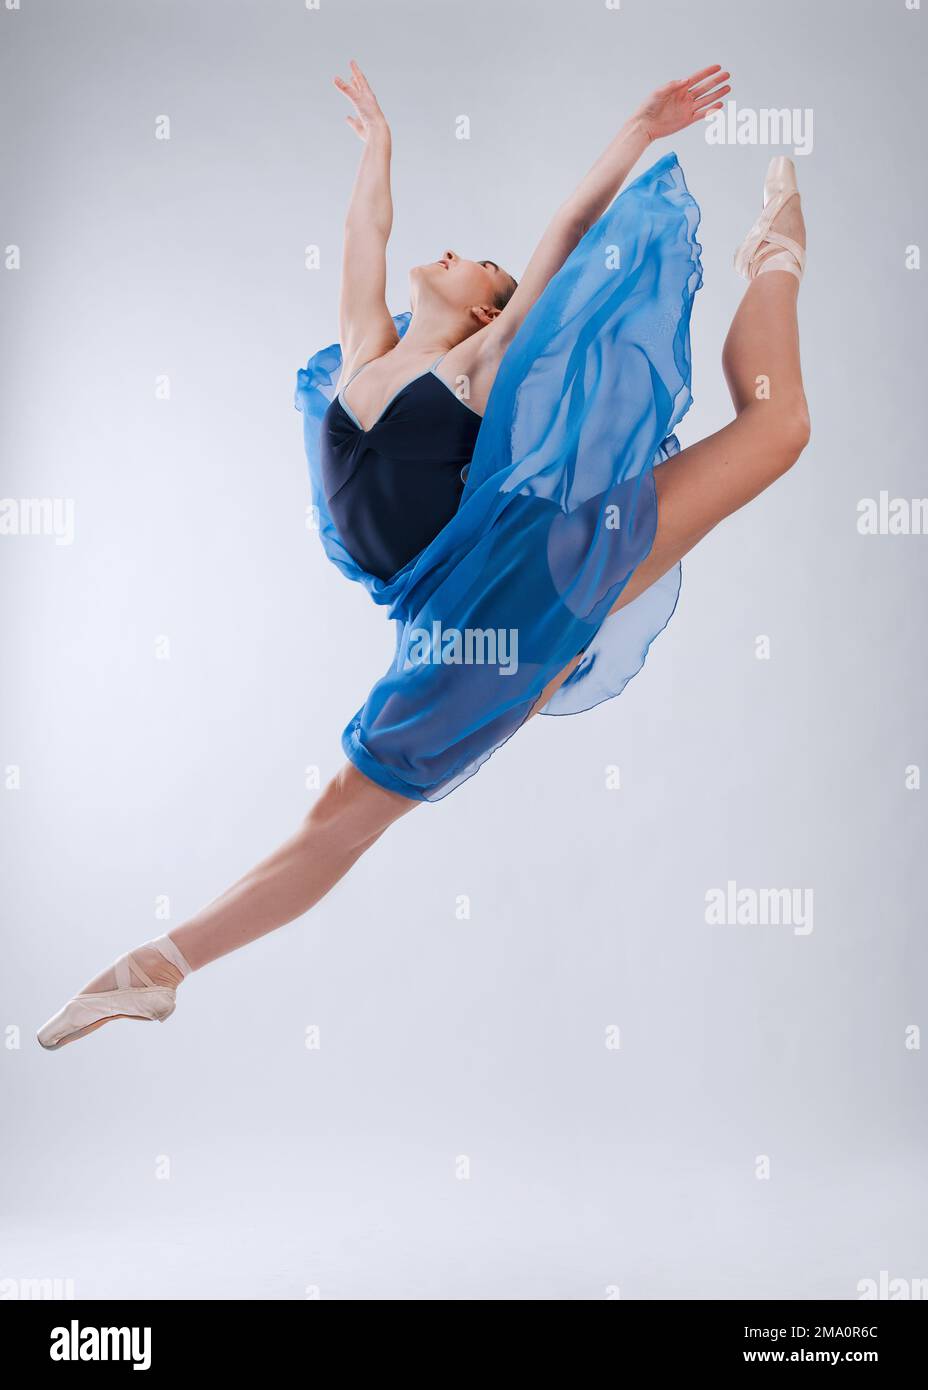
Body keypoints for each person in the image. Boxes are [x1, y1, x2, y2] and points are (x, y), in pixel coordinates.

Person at [38, 61, 808, 1050]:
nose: (456, 254)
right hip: (481, 603)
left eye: (478, 263)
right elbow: (367, 237)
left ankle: (771, 258)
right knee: (342, 812)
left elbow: (566, 233)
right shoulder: (364, 349)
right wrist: (378, 148)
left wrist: (639, 128)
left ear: (491, 310)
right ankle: (156, 968)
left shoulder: (475, 363)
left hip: (519, 583)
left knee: (778, 426)